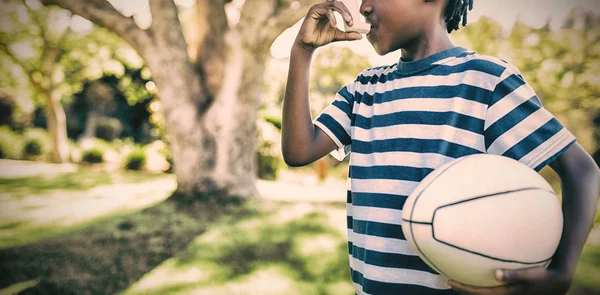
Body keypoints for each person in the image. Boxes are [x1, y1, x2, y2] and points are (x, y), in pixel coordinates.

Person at [281, 0, 600, 294]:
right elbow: (298, 151)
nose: (364, 7)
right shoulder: (364, 90)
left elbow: (581, 171)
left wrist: (562, 272)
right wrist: (302, 51)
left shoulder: (485, 82)